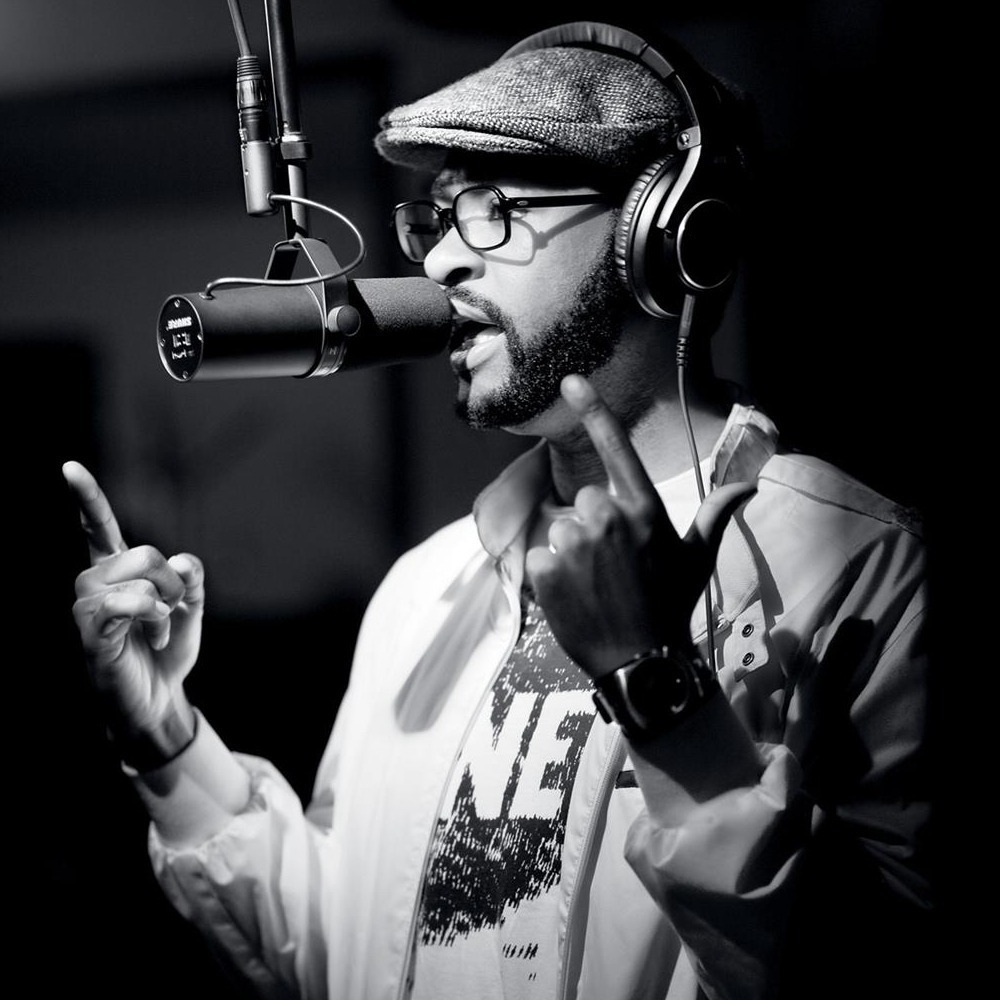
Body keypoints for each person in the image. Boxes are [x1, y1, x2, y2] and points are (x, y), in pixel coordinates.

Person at [64, 20, 936, 1000]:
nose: (440, 262)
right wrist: (167, 739)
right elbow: (337, 948)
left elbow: (869, 964)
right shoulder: (421, 589)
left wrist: (661, 689)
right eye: (437, 217)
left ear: (663, 238)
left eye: (491, 210)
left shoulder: (858, 568)